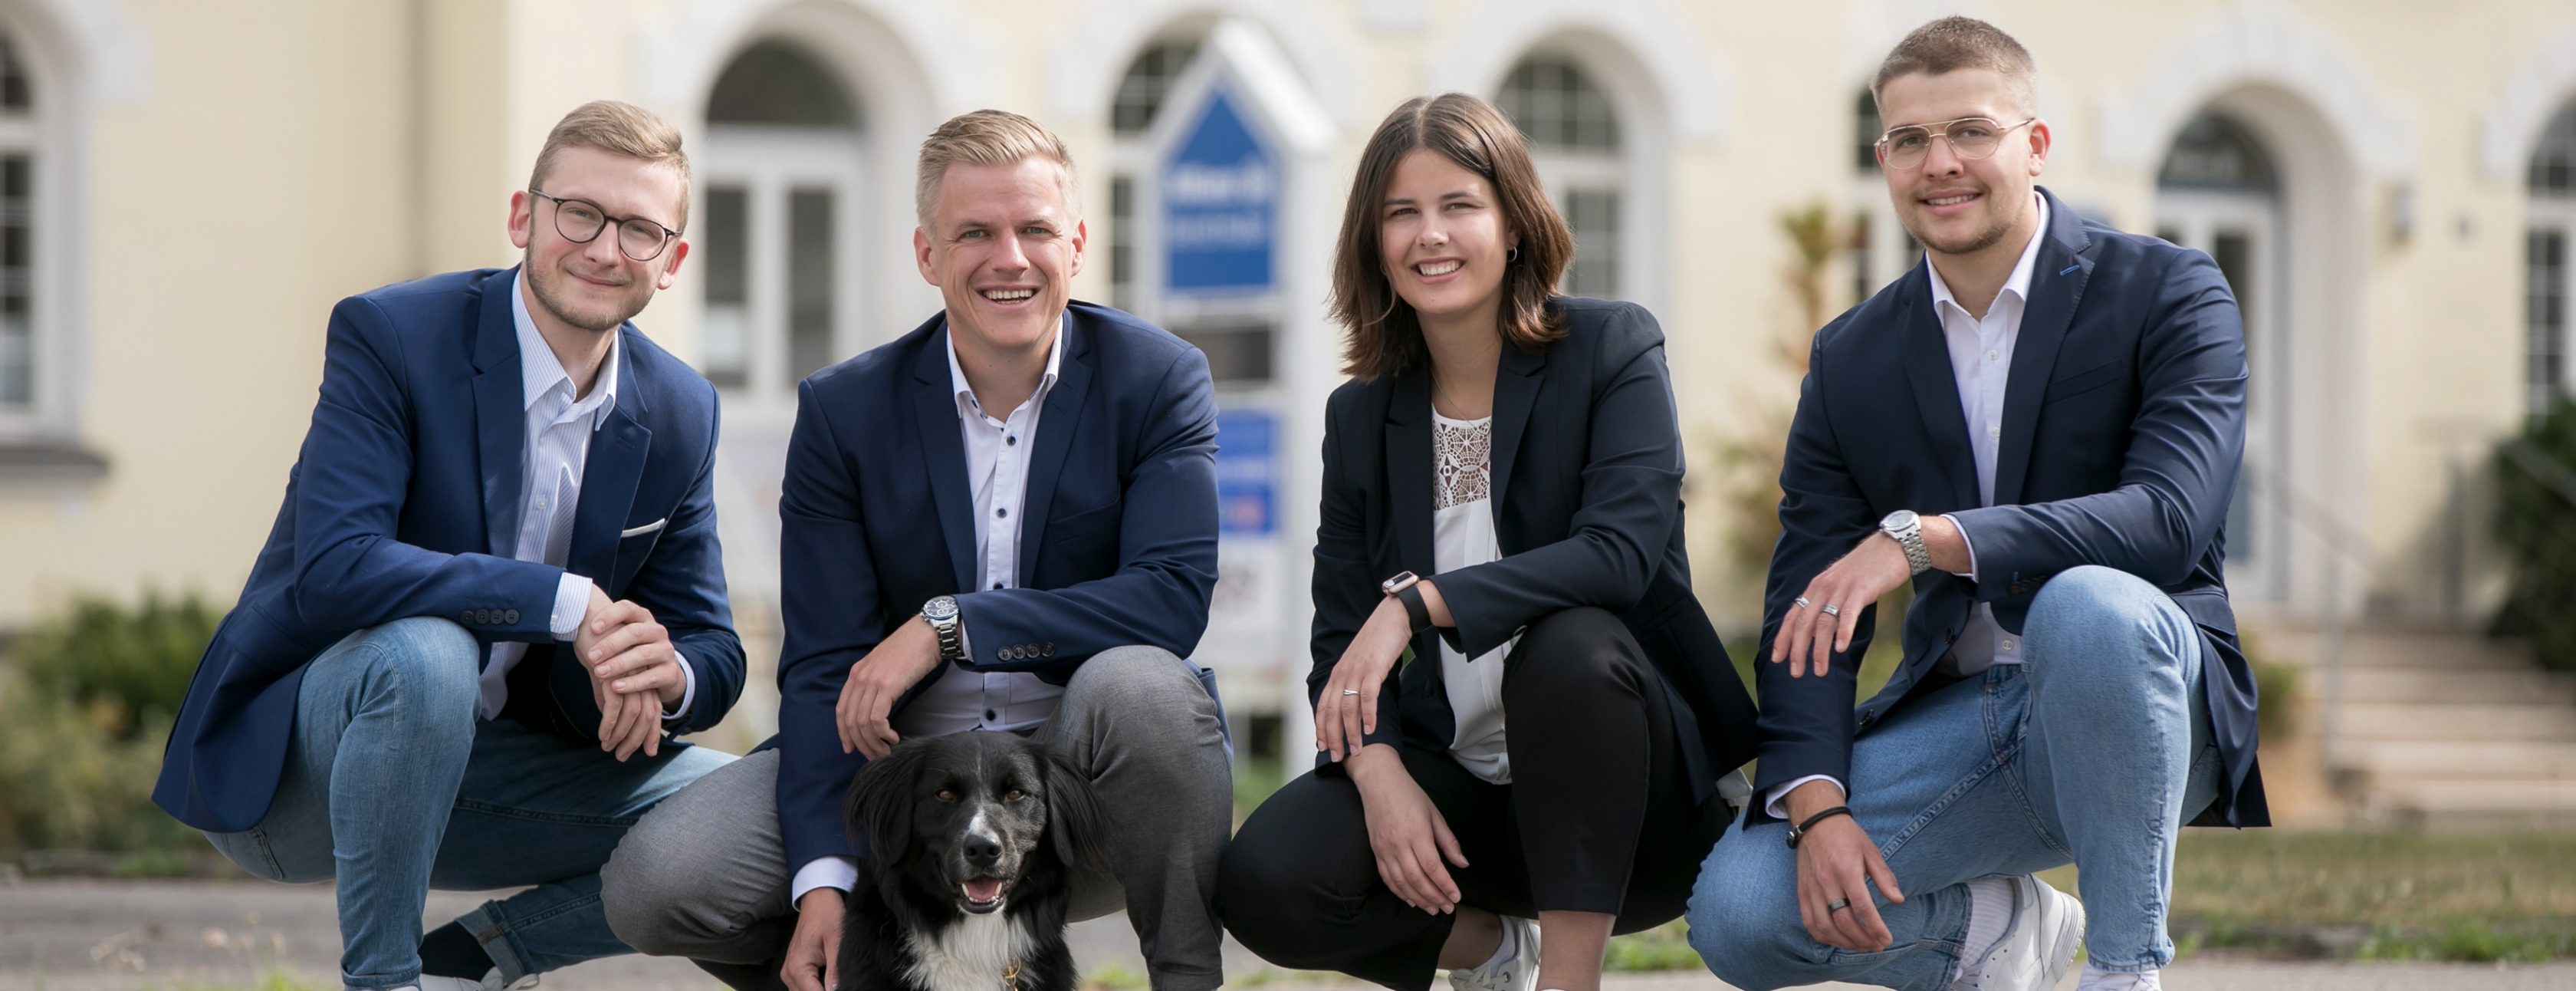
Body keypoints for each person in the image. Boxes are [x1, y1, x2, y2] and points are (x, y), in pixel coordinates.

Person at [1681, 17, 2265, 991]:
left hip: (2150, 701)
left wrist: (1928, 541)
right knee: (1743, 916)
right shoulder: (1852, 355)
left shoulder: (2166, 290)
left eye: (1971, 131)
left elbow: (2169, 519)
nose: (1939, 163)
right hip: (1975, 721)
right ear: (1882, 160)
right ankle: (1997, 930)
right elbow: (1806, 606)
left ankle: (2124, 969)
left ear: (2034, 145)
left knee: (2087, 603)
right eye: (1909, 140)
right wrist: (1819, 804)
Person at [599, 109, 1233, 991]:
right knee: (659, 882)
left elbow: (1168, 597)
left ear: (1078, 243)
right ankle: (872, 971)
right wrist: (822, 879)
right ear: (928, 254)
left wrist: (949, 625)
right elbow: (823, 665)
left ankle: (1187, 979)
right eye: (974, 231)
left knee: (1145, 689)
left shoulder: (1157, 378)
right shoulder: (844, 411)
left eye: (1035, 229)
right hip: (904, 777)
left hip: (1077, 780)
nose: (1008, 257)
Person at [152, 100, 744, 991]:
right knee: (427, 654)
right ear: (523, 216)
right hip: (303, 767)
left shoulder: (681, 409)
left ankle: (475, 958)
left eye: (640, 230)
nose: (604, 247)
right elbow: (337, 566)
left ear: (673, 263)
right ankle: (385, 979)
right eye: (579, 213)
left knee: (767, 809)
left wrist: (665, 672)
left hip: (503, 772)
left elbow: (716, 649)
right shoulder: (394, 335)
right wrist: (568, 600)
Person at [1214, 93, 1760, 991]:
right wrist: (1380, 770)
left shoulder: (1612, 348)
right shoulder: (1362, 416)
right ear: (1374, 244)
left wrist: (1421, 604)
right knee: (1267, 880)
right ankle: (1499, 950)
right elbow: (1338, 640)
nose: (1431, 235)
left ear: (1513, 224)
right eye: (1402, 213)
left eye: (1459, 204)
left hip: (1634, 809)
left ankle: (1568, 977)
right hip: (1462, 795)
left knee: (1569, 643)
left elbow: (1620, 552)